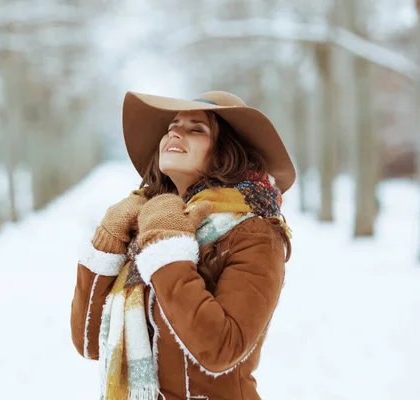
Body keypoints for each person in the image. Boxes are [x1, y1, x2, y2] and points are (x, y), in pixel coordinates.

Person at [71, 90, 295, 400]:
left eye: (196, 128)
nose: (174, 131)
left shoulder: (254, 232)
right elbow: (89, 341)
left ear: (227, 151)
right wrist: (109, 240)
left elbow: (220, 349)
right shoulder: (147, 221)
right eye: (171, 126)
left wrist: (166, 246)